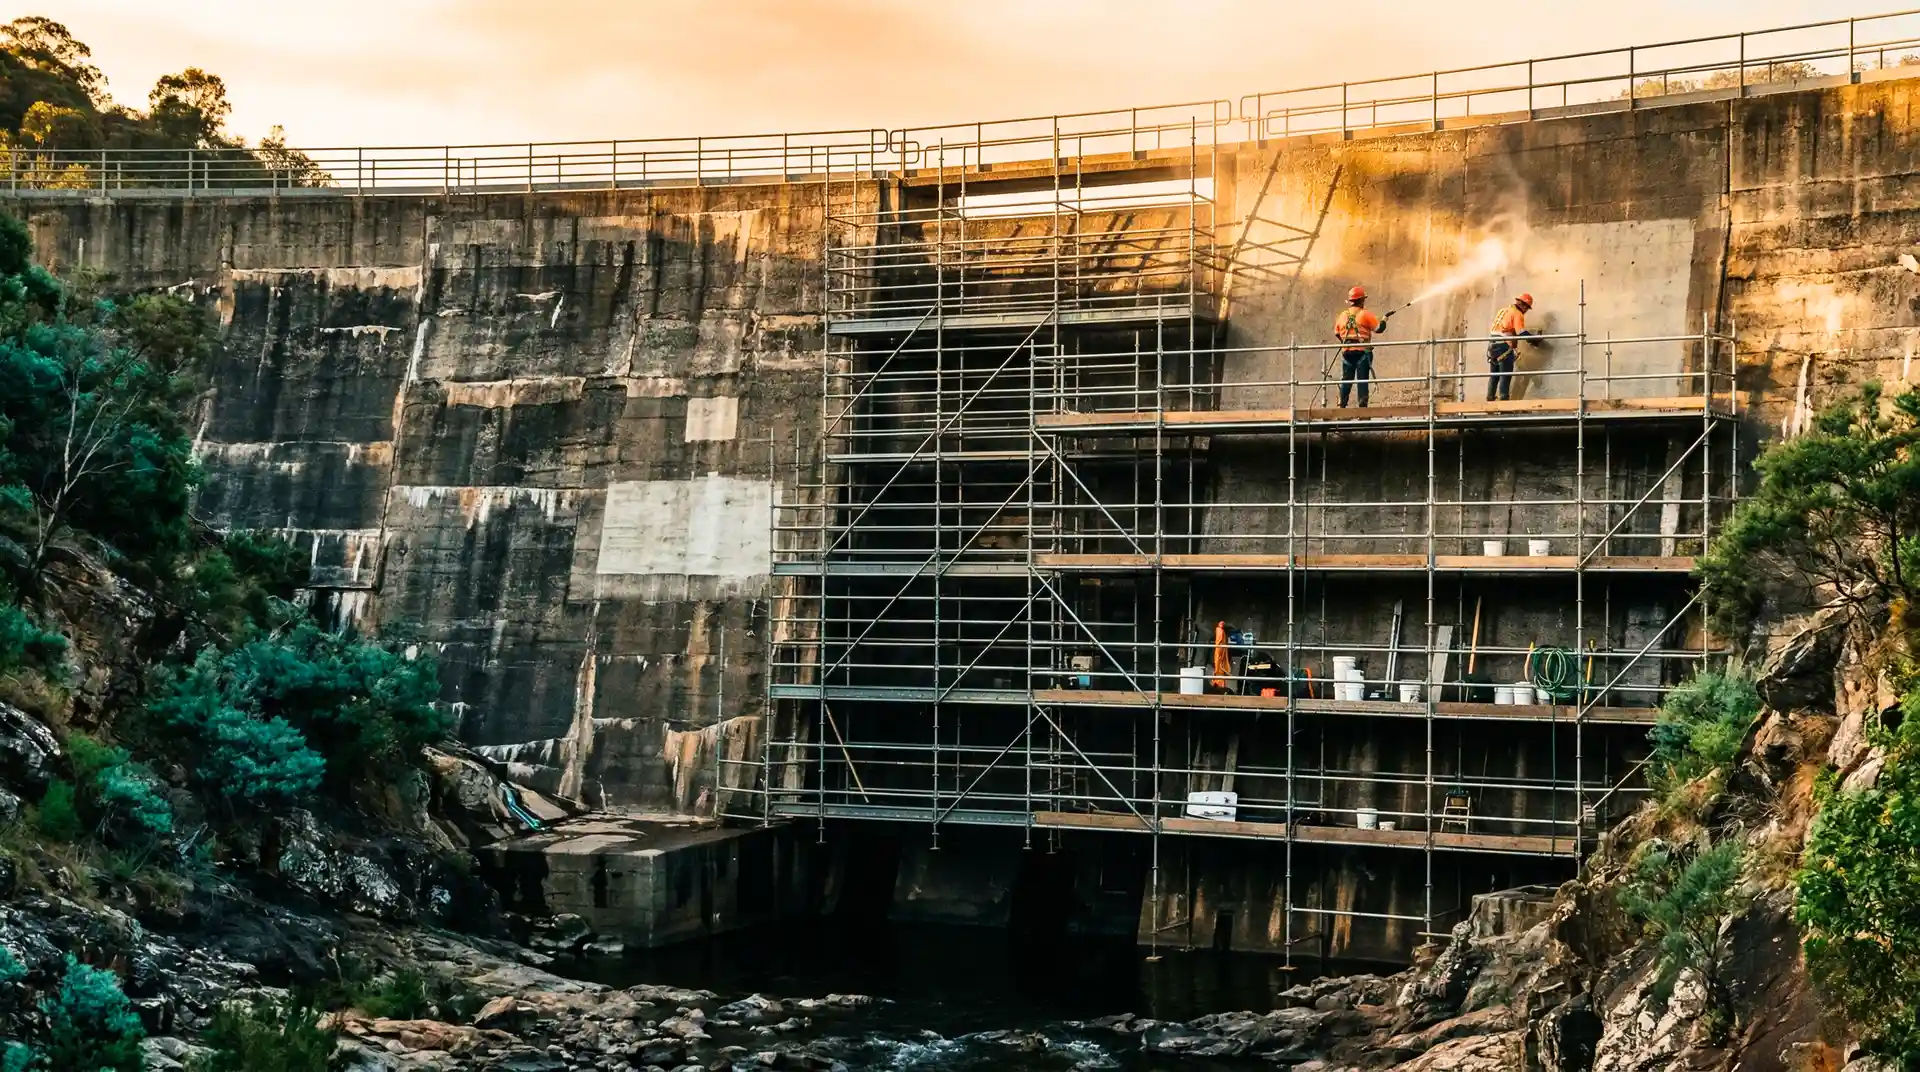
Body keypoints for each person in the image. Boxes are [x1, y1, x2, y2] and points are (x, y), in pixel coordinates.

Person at [1333, 285, 1392, 408]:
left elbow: (1337, 333)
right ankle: (1362, 408)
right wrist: (1384, 320)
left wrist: (1347, 342)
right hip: (1363, 352)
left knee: (1346, 380)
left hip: (1347, 352)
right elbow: (1379, 329)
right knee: (1362, 380)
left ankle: (1341, 406)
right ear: (1361, 300)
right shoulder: (1365, 314)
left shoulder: (1342, 315)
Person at [1486, 293, 1538, 402]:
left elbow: (1510, 331)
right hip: (1502, 346)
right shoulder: (1517, 313)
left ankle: (1490, 399)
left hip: (1492, 344)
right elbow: (1521, 332)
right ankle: (1504, 401)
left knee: (1494, 375)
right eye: (1527, 308)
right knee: (1505, 374)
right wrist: (1535, 340)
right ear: (1523, 305)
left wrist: (1514, 346)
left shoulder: (1503, 310)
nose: (1526, 311)